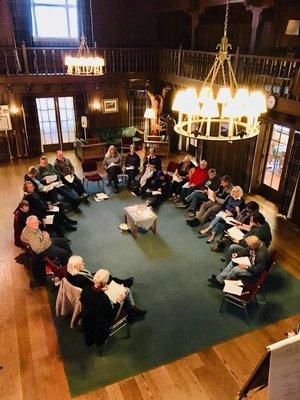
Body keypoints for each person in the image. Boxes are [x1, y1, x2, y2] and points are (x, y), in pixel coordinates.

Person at [80, 268, 147, 326]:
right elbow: (112, 315)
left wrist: (101, 289)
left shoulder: (86, 288)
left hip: (90, 313)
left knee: (124, 292)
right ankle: (132, 311)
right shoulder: (103, 298)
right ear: (104, 283)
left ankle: (132, 310)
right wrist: (119, 301)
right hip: (105, 319)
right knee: (125, 293)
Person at [21, 216, 72, 287]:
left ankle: (70, 257)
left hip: (45, 242)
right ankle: (66, 270)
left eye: (37, 221)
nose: (38, 223)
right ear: (30, 224)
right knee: (63, 253)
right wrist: (46, 238)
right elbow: (38, 249)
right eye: (36, 223)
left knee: (63, 241)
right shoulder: (30, 235)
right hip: (44, 249)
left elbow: (38, 237)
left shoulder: (31, 227)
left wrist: (43, 233)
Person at [66, 255, 134, 289]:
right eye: (81, 263)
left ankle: (121, 282)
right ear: (76, 267)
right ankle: (123, 284)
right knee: (108, 278)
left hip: (89, 280)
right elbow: (94, 287)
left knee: (108, 275)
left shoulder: (70, 272)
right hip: (93, 286)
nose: (84, 263)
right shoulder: (81, 280)